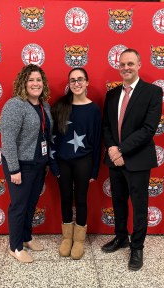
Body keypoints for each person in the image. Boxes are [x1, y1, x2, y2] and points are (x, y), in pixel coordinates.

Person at [101, 48, 162, 271]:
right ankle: (120, 238)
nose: (126, 67)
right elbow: (106, 126)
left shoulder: (153, 92)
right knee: (118, 202)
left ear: (139, 65)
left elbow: (148, 129)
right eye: (122, 64)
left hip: (137, 160)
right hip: (114, 160)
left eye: (130, 64)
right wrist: (111, 150)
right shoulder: (112, 94)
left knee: (139, 206)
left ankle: (137, 247)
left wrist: (120, 151)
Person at [0, 64, 52, 263]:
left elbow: (44, 135)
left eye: (39, 80)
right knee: (19, 206)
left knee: (31, 204)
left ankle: (27, 237)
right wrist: (14, 168)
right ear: (23, 82)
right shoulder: (15, 105)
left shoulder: (44, 105)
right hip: (20, 165)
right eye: (31, 80)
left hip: (39, 163)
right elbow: (8, 139)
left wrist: (46, 162)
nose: (35, 83)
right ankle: (15, 246)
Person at [50, 67, 101, 260]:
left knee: (80, 200)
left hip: (84, 162)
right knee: (64, 198)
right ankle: (67, 238)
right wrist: (54, 165)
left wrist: (94, 170)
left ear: (87, 82)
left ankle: (79, 240)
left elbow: (97, 142)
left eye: (80, 79)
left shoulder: (94, 109)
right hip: (63, 162)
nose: (77, 83)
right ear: (68, 84)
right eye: (73, 80)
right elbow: (52, 138)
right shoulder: (60, 107)